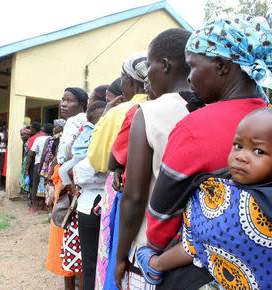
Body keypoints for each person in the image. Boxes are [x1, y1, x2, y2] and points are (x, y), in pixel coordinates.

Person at [143, 16, 272, 288]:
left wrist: (154, 251)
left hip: (203, 272)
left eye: (193, 67)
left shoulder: (196, 126)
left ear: (221, 66)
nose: (189, 77)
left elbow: (162, 214)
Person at [137, 107, 272, 289]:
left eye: (259, 152)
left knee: (197, 242)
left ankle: (155, 265)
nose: (241, 157)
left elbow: (199, 241)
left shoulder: (229, 203)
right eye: (238, 146)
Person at [111, 28, 202, 290]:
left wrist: (120, 256)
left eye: (149, 65)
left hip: (149, 253)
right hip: (199, 254)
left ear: (164, 65)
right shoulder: (216, 109)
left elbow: (134, 196)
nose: (146, 76)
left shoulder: (148, 113)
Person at [91, 52, 148, 289]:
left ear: (131, 81)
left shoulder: (122, 111)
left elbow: (98, 159)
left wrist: (105, 117)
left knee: (114, 260)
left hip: (123, 194)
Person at [45, 87, 88, 290]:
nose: (63, 104)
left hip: (68, 187)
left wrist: (58, 186)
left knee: (67, 240)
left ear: (81, 103)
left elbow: (67, 159)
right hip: (71, 185)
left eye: (69, 100)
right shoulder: (82, 121)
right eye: (62, 99)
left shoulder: (76, 122)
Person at [71, 100, 107, 290]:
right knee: (95, 263)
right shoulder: (93, 136)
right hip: (97, 204)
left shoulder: (94, 136)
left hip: (92, 203)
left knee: (93, 263)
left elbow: (79, 173)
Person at [28, 123, 53, 214]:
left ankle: (34, 207)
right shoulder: (53, 139)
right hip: (50, 166)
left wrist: (27, 168)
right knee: (46, 185)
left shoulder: (38, 139)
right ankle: (45, 205)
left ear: (43, 130)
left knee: (35, 184)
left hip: (38, 164)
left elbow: (31, 153)